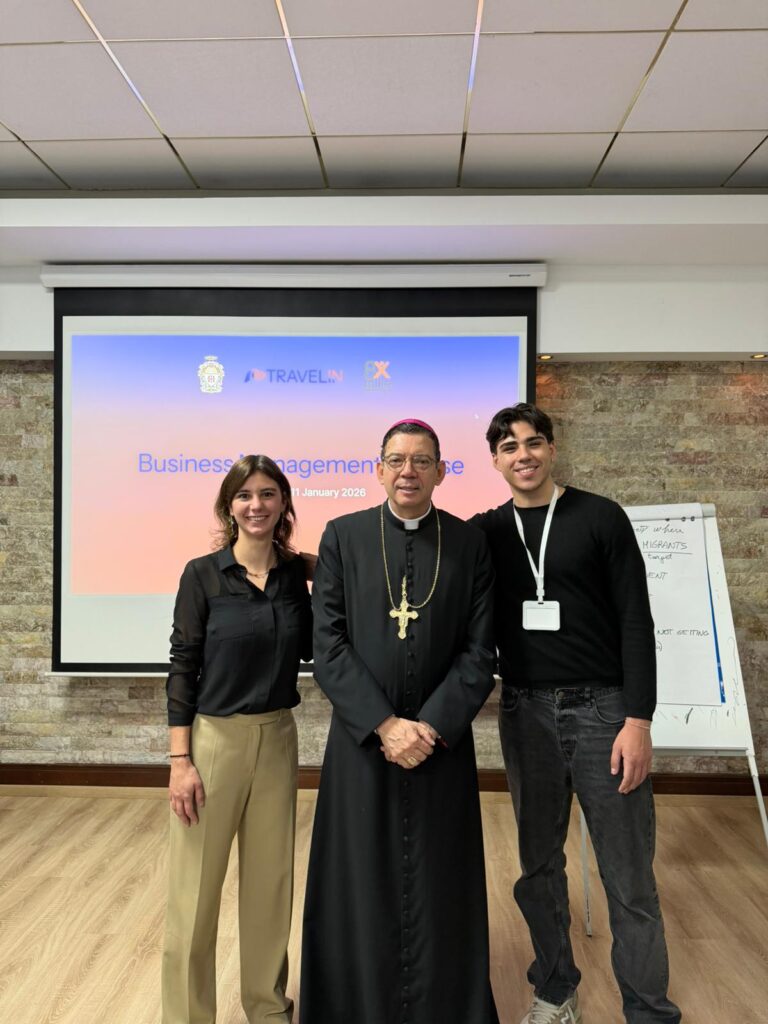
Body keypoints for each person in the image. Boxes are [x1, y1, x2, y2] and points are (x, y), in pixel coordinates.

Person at [472, 403, 681, 1024]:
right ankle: (556, 990)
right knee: (538, 868)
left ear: (552, 448)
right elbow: (424, 558)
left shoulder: (600, 517)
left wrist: (638, 721)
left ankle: (648, 1011)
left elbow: (636, 620)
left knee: (628, 876)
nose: (524, 455)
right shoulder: (487, 531)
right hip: (526, 714)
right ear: (495, 461)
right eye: (510, 447)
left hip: (604, 714)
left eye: (534, 442)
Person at [300, 419, 499, 1024]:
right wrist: (385, 725)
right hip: (364, 740)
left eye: (421, 460)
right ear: (378, 469)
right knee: (359, 876)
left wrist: (430, 726)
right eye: (396, 460)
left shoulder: (468, 543)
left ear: (442, 471)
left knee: (439, 877)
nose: (407, 471)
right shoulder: (343, 536)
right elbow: (328, 644)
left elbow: (480, 650)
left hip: (440, 745)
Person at [162, 455, 311, 1024]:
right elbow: (183, 666)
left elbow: (321, 641)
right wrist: (180, 760)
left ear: (283, 503)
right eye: (245, 495)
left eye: (268, 494)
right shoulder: (202, 575)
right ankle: (186, 1015)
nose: (256, 505)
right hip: (212, 743)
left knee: (271, 885)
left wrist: (322, 567)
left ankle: (268, 1008)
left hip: (277, 738)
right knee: (194, 892)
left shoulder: (296, 577)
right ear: (229, 506)